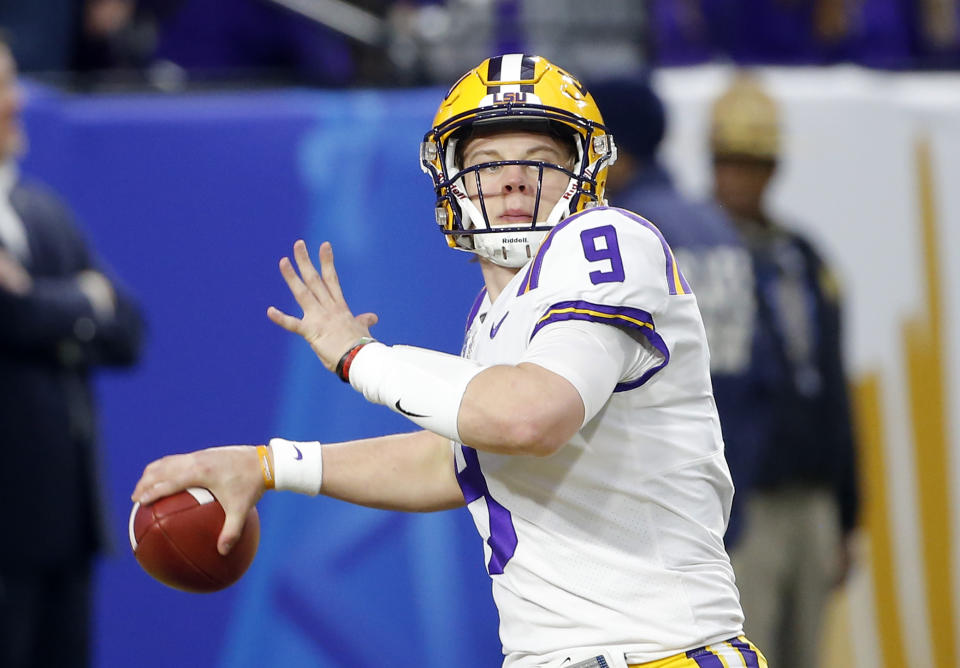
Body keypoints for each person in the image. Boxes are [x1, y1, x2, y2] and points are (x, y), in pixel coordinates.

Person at [133, 54, 766, 668]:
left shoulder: (610, 242)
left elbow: (528, 420)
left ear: (585, 173)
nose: (513, 178)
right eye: (488, 162)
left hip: (659, 654)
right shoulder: (493, 318)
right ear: (452, 185)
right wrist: (270, 463)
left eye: (540, 160)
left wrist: (362, 359)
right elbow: (459, 456)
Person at [0, 37, 145, 668]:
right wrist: (81, 301)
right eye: (0, 88)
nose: (15, 103)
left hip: (67, 529)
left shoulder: (42, 211)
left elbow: (130, 330)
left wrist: (39, 299)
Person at [708, 72, 860, 668]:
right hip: (746, 501)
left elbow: (832, 388)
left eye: (756, 162)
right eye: (731, 161)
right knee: (749, 649)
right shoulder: (695, 253)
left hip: (811, 497)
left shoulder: (804, 257)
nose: (742, 177)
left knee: (807, 652)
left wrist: (848, 513)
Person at [589, 76, 771, 548]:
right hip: (721, 497)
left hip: (649, 513)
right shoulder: (716, 224)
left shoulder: (620, 235)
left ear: (613, 150)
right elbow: (760, 376)